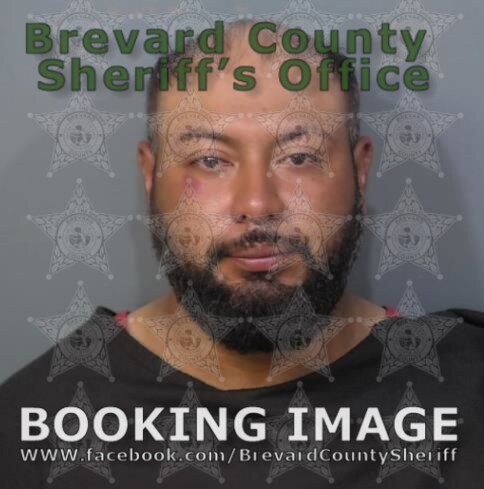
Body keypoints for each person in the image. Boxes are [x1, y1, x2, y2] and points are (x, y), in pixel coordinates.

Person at [1, 20, 483, 489]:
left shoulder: (472, 391)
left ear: (361, 170)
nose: (257, 204)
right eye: (209, 160)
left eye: (299, 157)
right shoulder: (34, 422)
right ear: (150, 174)